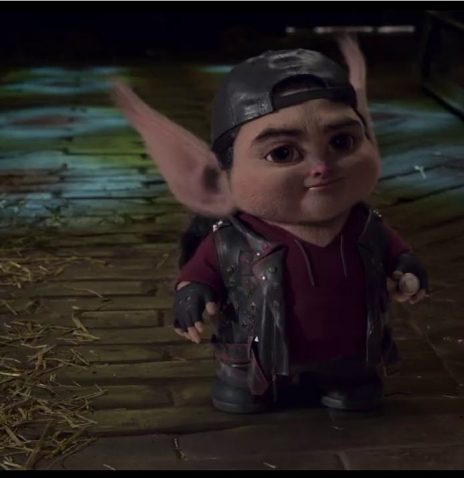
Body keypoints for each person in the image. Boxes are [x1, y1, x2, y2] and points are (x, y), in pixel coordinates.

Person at [112, 35, 428, 414]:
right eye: (282, 153)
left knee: (351, 376)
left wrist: (407, 267)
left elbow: (396, 253)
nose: (321, 167)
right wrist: (191, 292)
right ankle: (247, 382)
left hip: (351, 349)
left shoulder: (364, 225)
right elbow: (201, 271)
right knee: (244, 383)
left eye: (342, 142)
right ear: (220, 176)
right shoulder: (233, 238)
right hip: (253, 351)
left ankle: (349, 379)